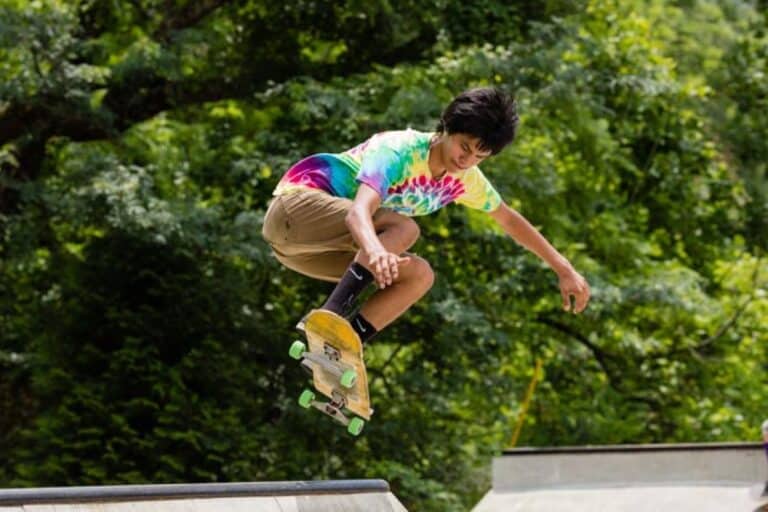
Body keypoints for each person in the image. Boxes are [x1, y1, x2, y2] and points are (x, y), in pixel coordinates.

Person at [262, 87, 590, 343]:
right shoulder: (398, 150)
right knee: (404, 229)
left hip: (302, 253)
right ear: (448, 127)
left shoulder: (465, 180)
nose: (467, 160)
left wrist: (564, 269)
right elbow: (360, 211)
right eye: (464, 147)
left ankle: (342, 344)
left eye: (480, 156)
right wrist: (376, 251)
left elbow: (507, 218)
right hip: (294, 211)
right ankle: (330, 314)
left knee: (419, 275)